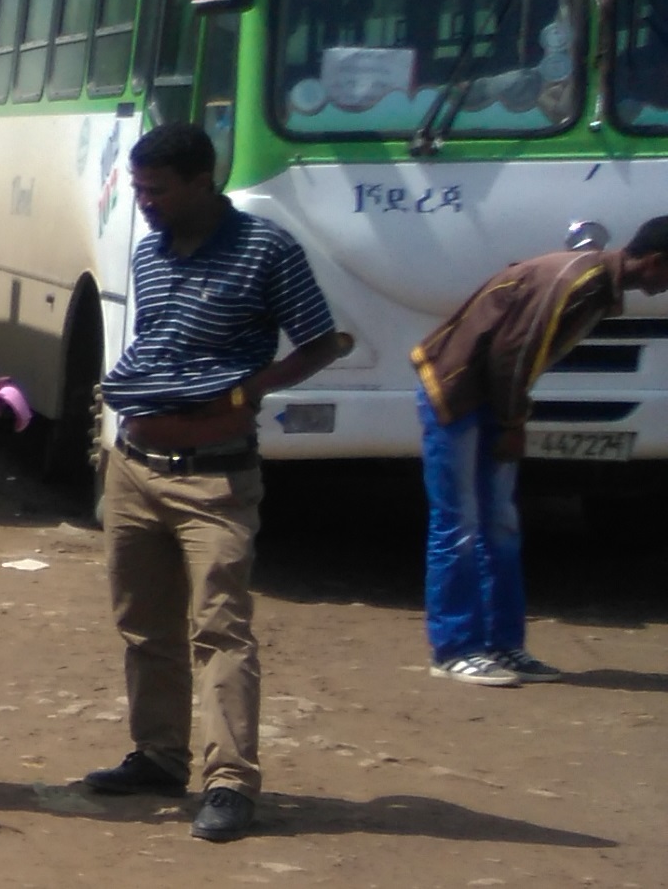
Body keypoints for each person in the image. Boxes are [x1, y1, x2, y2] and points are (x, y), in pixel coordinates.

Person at [81, 123, 346, 842]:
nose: (144, 204)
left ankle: (228, 780)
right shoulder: (148, 253)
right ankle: (158, 755)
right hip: (134, 466)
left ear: (203, 182)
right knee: (143, 625)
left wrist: (247, 391)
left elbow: (322, 340)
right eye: (137, 190)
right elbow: (157, 353)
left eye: (156, 190)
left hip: (215, 481)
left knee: (220, 630)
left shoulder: (266, 250)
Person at [409, 217, 668, 687]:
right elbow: (514, 353)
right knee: (459, 525)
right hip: (456, 393)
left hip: (490, 396)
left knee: (501, 525)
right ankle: (454, 650)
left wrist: (510, 417)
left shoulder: (597, 280)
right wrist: (511, 423)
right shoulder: (581, 283)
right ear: (654, 263)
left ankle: (504, 645)